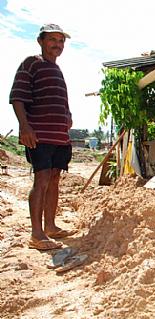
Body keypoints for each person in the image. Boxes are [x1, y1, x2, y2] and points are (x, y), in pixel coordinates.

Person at [9, 24, 76, 250]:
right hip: (39, 135)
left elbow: (59, 101)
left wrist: (68, 116)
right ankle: (36, 234)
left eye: (61, 41)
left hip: (60, 137)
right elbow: (17, 97)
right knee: (42, 179)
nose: (57, 44)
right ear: (41, 41)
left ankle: (51, 227)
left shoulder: (56, 70)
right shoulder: (32, 63)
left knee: (55, 178)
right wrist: (24, 127)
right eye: (53, 40)